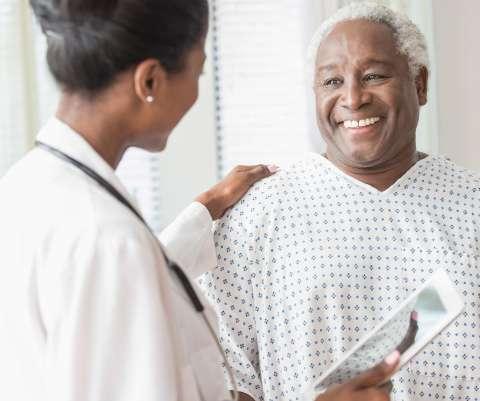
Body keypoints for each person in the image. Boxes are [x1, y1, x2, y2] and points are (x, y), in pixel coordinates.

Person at [0, 1, 400, 401]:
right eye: (199, 70)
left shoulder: (25, 188)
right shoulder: (108, 240)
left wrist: (204, 209)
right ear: (151, 82)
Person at [200, 3, 480, 401]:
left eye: (373, 76)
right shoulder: (256, 215)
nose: (352, 97)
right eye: (332, 82)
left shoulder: (472, 207)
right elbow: (222, 376)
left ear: (419, 84)